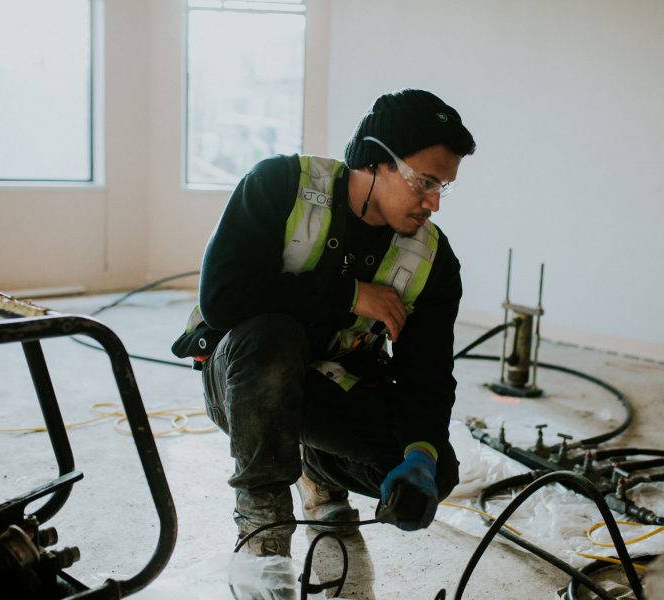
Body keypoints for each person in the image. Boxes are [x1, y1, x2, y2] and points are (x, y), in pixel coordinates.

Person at [172, 88, 476, 558]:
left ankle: (317, 472)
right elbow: (221, 299)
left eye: (444, 187)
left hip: (329, 385)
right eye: (425, 182)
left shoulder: (433, 258)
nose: (433, 203)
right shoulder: (279, 185)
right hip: (242, 377)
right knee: (273, 337)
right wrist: (352, 295)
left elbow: (427, 372)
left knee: (438, 470)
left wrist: (420, 454)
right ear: (377, 161)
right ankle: (263, 515)